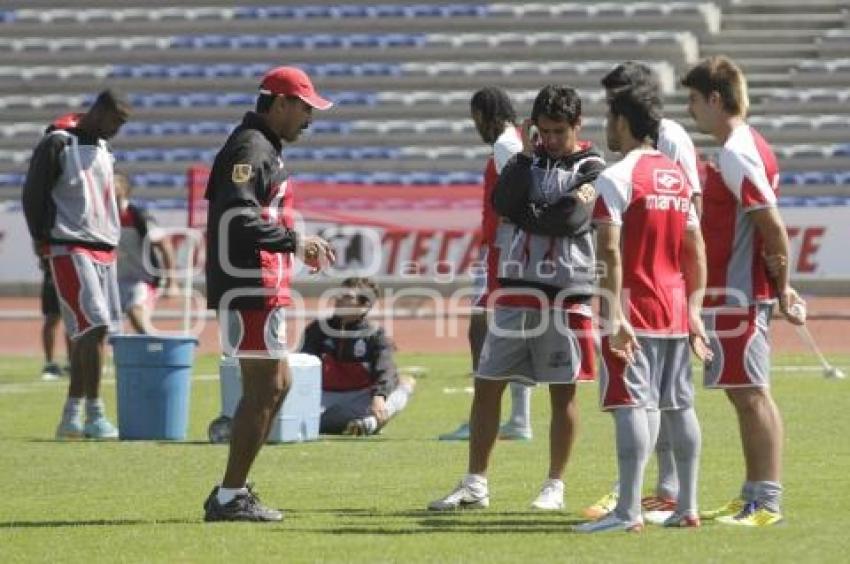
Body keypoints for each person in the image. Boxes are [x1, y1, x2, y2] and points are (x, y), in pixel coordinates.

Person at [428, 85, 603, 512]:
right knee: (487, 386)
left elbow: (571, 217)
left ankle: (554, 485)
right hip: (515, 291)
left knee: (563, 393)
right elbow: (502, 201)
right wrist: (527, 156)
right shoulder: (527, 158)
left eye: (559, 131)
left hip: (564, 295)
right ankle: (475, 483)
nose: (551, 139)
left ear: (577, 126)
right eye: (543, 131)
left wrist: (529, 214)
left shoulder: (593, 165)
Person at [202, 66, 336, 522]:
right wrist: (296, 241)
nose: (309, 119)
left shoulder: (260, 147)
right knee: (266, 388)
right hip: (250, 284)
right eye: (304, 108)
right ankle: (229, 495)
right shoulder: (251, 146)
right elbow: (236, 216)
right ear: (280, 103)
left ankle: (231, 490)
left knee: (276, 385)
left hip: (260, 284)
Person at [575, 82, 710, 533]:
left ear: (623, 122)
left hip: (633, 310)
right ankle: (687, 506)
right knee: (678, 405)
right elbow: (696, 247)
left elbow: (609, 253)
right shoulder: (677, 175)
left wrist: (614, 316)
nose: (606, 127)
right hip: (673, 309)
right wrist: (693, 311)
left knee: (631, 405)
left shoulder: (616, 177)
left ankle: (628, 511)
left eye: (609, 118)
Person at [682, 55, 804, 527]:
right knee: (743, 393)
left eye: (695, 100)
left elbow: (770, 223)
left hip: (740, 294)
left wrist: (785, 287)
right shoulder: (745, 145)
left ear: (716, 98)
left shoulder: (736, 151)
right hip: (737, 292)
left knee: (751, 394)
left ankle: (767, 501)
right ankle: (752, 494)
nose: (692, 110)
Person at [22, 91, 131, 439]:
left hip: (104, 247)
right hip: (70, 245)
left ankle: (77, 416)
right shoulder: (58, 143)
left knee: (95, 332)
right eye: (116, 121)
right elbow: (34, 193)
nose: (118, 130)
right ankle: (91, 411)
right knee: (94, 325)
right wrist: (41, 239)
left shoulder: (103, 149)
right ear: (99, 112)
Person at [439, 87, 532, 442]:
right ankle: (516, 418)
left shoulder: (505, 145)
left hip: (503, 251)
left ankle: (486, 417)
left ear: (487, 114)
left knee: (482, 330)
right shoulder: (513, 142)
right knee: (509, 332)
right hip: (502, 248)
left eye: (476, 116)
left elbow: (518, 197)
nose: (475, 125)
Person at [301, 277, 415, 436]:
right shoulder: (318, 329)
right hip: (323, 397)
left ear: (364, 305)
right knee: (304, 421)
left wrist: (380, 396)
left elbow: (385, 368)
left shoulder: (376, 335)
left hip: (360, 398)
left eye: (347, 297)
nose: (339, 299)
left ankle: (370, 423)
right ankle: (365, 424)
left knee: (405, 384)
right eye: (339, 294)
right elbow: (302, 365)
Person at [37, 113, 83, 381]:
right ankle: (50, 363)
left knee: (73, 318)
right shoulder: (49, 188)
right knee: (53, 316)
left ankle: (71, 361)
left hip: (72, 255)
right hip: (54, 258)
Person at [115, 172, 178, 334]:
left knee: (135, 312)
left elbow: (165, 245)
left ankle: (156, 350)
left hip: (143, 279)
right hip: (113, 281)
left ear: (123, 190)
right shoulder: (100, 217)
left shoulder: (138, 216)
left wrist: (172, 282)